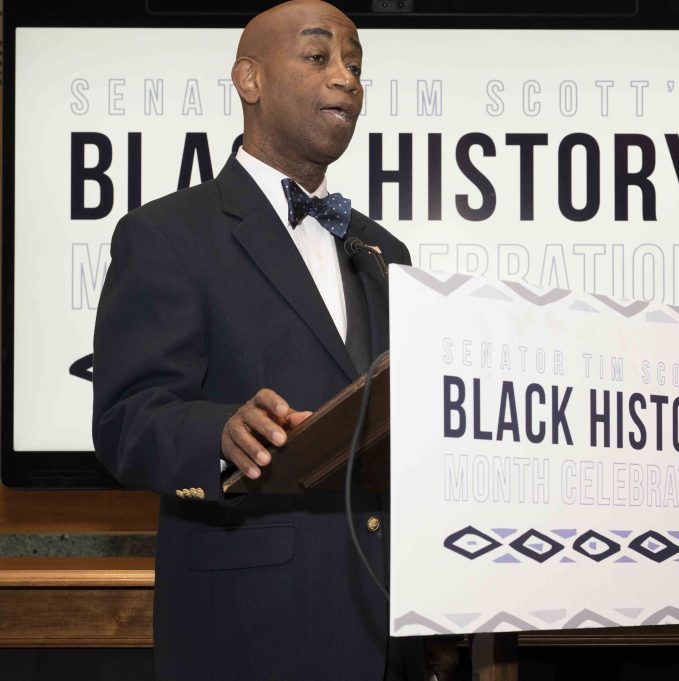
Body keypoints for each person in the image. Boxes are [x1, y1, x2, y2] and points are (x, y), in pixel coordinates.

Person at [92, 2, 455, 679]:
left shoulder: (383, 249)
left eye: (355, 63)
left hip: (389, 637)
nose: (345, 77)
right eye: (319, 58)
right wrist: (220, 431)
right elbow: (126, 421)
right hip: (251, 631)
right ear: (249, 80)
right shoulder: (168, 235)